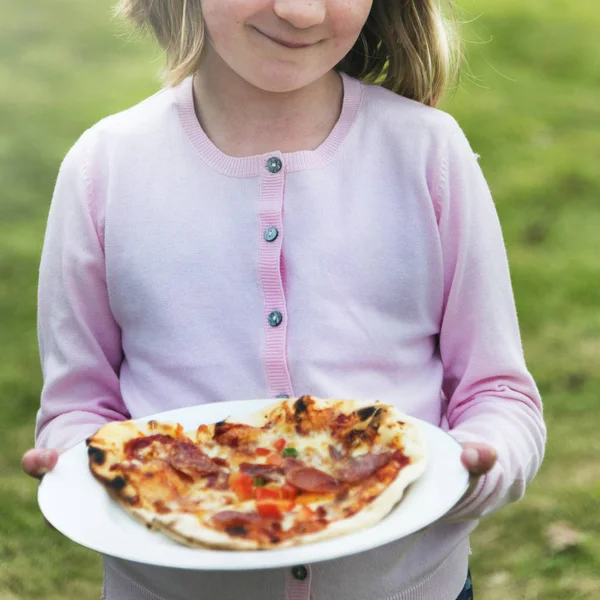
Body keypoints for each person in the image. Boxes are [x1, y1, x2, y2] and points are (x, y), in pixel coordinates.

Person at [22, 0, 546, 598]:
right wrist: (74, 464)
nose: (300, 12)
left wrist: (480, 464)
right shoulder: (103, 167)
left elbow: (498, 393)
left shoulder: (429, 152)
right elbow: (78, 409)